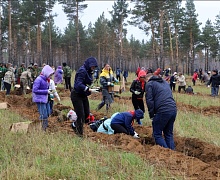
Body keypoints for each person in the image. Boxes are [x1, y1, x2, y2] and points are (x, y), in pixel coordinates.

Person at [145, 73, 177, 150]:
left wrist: (152, 115)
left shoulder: (150, 84)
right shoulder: (165, 83)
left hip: (163, 110)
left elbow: (149, 100)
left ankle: (167, 153)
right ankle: (173, 154)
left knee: (157, 134)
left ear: (148, 79)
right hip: (173, 109)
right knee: (168, 134)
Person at [70, 57, 98, 136]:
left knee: (86, 114)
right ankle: (79, 134)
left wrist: (92, 88)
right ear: (89, 65)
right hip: (76, 95)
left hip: (83, 95)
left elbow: (88, 81)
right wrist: (87, 88)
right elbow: (78, 84)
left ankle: (74, 125)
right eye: (92, 67)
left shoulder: (88, 72)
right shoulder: (82, 71)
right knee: (81, 115)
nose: (93, 69)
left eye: (94, 67)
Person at [32, 65, 54, 131]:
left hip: (45, 99)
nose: (50, 76)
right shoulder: (38, 79)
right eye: (49, 74)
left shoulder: (46, 80)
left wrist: (49, 92)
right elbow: (34, 90)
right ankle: (41, 129)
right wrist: (46, 91)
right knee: (43, 115)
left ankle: (45, 127)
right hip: (40, 99)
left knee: (47, 113)